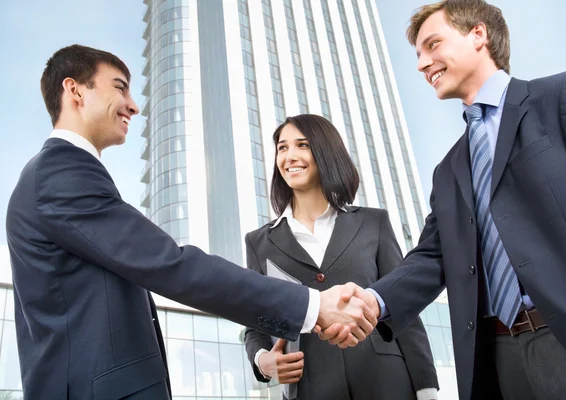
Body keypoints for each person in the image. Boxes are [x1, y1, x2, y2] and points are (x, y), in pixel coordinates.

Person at [5, 45, 376, 400]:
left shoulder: (63, 173)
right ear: (75, 91)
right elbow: (170, 264)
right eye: (119, 87)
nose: (133, 105)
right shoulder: (59, 173)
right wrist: (312, 307)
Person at [321, 1, 566, 399]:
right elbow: (433, 257)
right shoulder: (449, 169)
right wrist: (373, 300)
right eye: (417, 55)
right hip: (499, 358)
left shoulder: (564, 96)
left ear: (478, 35)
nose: (422, 64)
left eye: (433, 45)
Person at [243, 114, 439, 400]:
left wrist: (426, 389)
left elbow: (403, 308)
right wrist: (263, 361)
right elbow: (254, 323)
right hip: (311, 387)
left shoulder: (374, 223)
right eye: (282, 148)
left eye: (302, 145)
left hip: (387, 382)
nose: (290, 156)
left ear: (325, 151)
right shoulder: (259, 242)